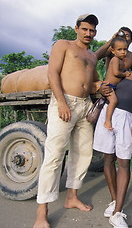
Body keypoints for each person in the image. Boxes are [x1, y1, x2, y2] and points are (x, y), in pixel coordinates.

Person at [33, 14, 100, 228]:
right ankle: (42, 212)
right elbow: (53, 72)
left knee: (83, 154)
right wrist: (61, 102)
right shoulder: (64, 45)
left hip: (85, 105)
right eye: (85, 29)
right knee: (54, 156)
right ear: (76, 28)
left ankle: (72, 196)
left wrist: (101, 86)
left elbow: (92, 82)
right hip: (65, 103)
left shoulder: (92, 56)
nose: (88, 33)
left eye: (92, 30)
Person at [93, 45, 132, 228]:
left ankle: (117, 213)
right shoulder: (124, 74)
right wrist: (102, 89)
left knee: (124, 163)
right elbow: (106, 85)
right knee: (108, 159)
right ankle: (115, 202)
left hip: (128, 121)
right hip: (109, 115)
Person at [102, 36, 131, 131]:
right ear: (113, 51)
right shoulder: (115, 59)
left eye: (125, 49)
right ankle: (107, 121)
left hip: (114, 87)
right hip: (108, 86)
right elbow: (116, 73)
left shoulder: (121, 61)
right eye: (119, 49)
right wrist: (125, 74)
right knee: (114, 101)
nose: (123, 52)